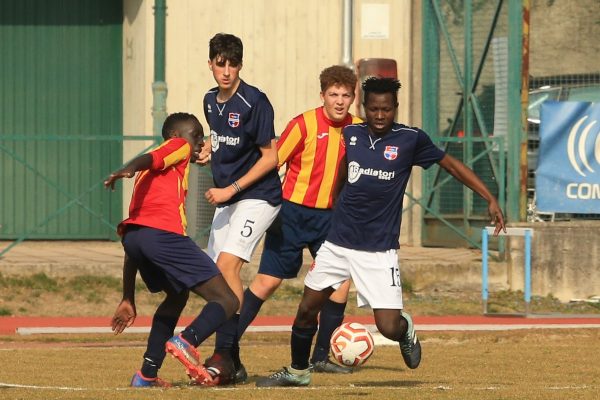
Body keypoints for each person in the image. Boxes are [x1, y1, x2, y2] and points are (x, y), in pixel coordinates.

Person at [256, 77, 507, 387]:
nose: (379, 115)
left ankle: (406, 330)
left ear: (395, 109)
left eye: (385, 109)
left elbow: (451, 164)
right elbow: (342, 171)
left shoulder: (410, 139)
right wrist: (335, 205)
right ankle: (297, 372)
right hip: (338, 243)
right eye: (373, 109)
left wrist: (489, 197)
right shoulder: (351, 133)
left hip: (379, 251)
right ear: (365, 108)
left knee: (387, 326)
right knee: (307, 308)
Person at [231, 65, 362, 376]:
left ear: (353, 97)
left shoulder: (359, 130)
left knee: (340, 285)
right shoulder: (303, 124)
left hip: (332, 219)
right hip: (292, 214)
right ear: (323, 96)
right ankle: (227, 348)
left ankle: (319, 357)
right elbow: (274, 161)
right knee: (268, 282)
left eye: (346, 95)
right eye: (333, 94)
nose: (340, 101)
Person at [106, 112, 239, 387]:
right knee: (227, 301)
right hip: (162, 238)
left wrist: (127, 297)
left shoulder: (154, 177)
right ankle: (187, 341)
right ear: (178, 136)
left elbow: (135, 243)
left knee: (177, 296)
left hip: (136, 239)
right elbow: (152, 157)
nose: (200, 143)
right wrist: (129, 167)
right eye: (196, 136)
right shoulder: (177, 146)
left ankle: (146, 375)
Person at [199, 33, 282, 383]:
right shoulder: (208, 101)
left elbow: (271, 157)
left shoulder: (255, 102)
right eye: (221, 63)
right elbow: (221, 140)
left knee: (227, 265)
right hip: (229, 200)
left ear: (240, 66)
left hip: (259, 197)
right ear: (211, 64)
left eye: (233, 64)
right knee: (216, 279)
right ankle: (233, 360)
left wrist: (230, 188)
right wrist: (207, 148)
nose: (227, 71)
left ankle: (222, 354)